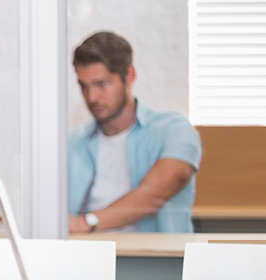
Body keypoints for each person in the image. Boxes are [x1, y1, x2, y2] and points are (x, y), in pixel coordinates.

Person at [67, 31, 202, 233]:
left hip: (151, 260)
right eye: (83, 86)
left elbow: (153, 195)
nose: (92, 97)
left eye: (101, 84)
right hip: (88, 255)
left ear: (129, 75)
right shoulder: (74, 141)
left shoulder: (174, 130)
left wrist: (85, 223)